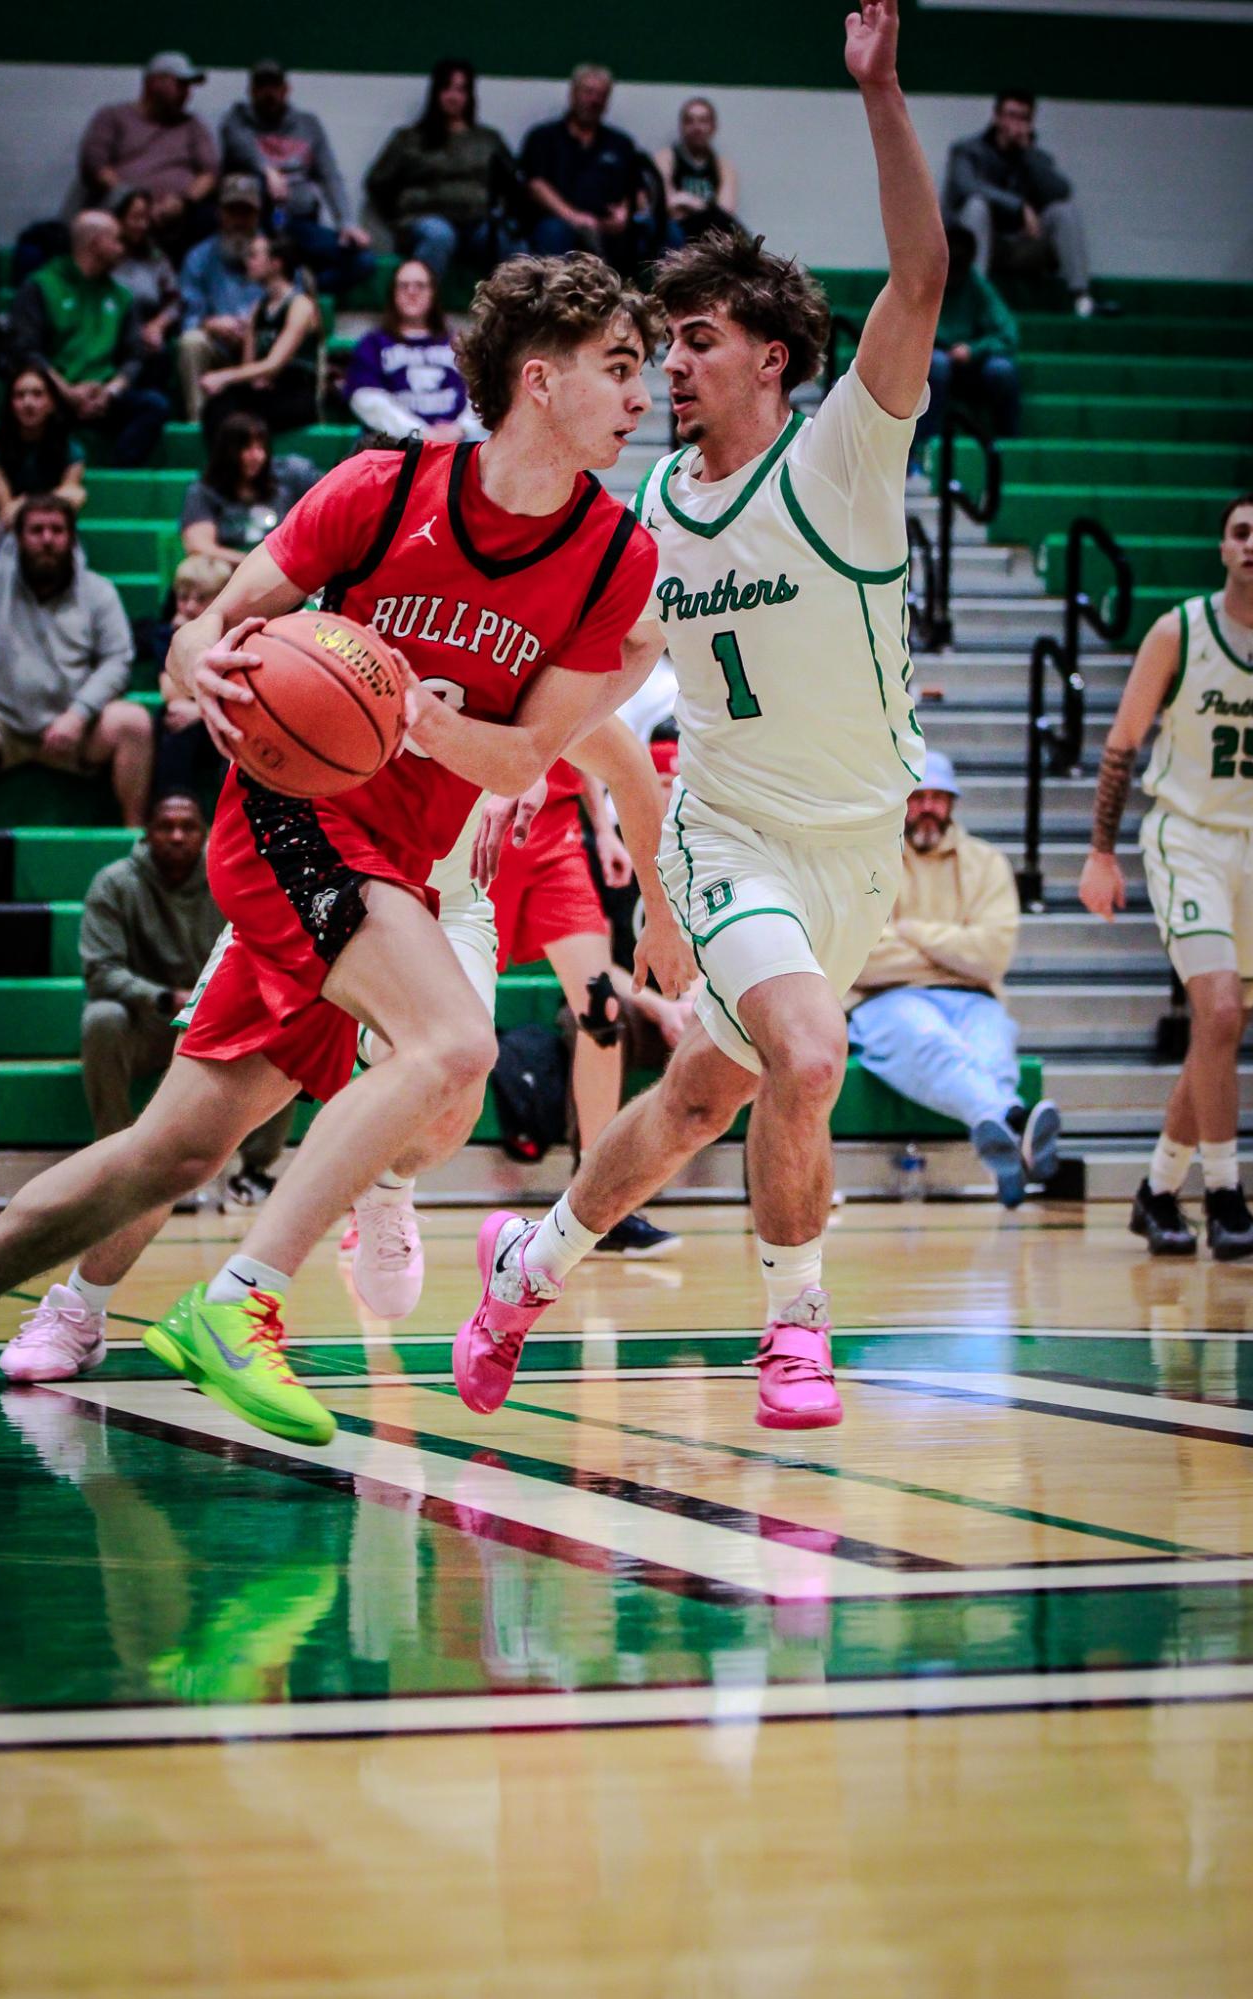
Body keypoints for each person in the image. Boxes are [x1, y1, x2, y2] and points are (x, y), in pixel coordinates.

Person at [0, 250, 692, 1463]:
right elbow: (201, 640)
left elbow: (517, 762)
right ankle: (238, 1303)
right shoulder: (381, 491)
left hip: (395, 855)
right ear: (538, 382)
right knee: (451, 1042)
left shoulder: (612, 563)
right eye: (619, 369)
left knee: (169, 1151)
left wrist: (415, 712)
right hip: (289, 822)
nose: (642, 395)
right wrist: (213, 674)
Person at [453, 0, 948, 1434]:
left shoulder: (844, 459)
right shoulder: (650, 511)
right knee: (805, 1054)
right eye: (659, 344)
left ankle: (524, 1271)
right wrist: (510, 778)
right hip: (732, 837)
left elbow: (919, 274)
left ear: (771, 362)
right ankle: (793, 1330)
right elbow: (600, 678)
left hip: (856, 853)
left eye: (697, 340)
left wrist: (879, 93)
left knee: (691, 1106)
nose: (668, 363)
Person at [0, 795, 296, 1385]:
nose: (179, 835)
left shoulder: (228, 870)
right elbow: (99, 969)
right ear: (148, 832)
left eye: (189, 826)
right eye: (167, 826)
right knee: (100, 1016)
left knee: (288, 1032)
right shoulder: (114, 882)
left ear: (204, 832)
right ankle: (117, 1156)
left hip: (220, 1013)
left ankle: (255, 1173)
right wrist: (163, 997)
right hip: (148, 1017)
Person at [1080, 493, 1253, 1262]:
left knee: (1221, 1032)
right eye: (1242, 531)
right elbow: (1122, 743)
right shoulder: (1179, 630)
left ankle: (1157, 1189)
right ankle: (1225, 1194)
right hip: (1187, 835)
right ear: (1221, 546)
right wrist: (1101, 850)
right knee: (1216, 1011)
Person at [487, 758, 682, 1256]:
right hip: (484, 821)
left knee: (602, 1012)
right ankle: (380, 1192)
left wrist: (602, 828)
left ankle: (597, 1203)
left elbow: (586, 732)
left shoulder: (576, 680)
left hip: (557, 833)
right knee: (452, 1024)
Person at [847, 750, 1059, 1206]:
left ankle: (1003, 1140)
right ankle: (1013, 1121)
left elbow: (992, 956)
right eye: (917, 797)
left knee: (991, 1051)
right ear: (899, 801)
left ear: (952, 804)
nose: (927, 808)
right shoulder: (867, 860)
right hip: (885, 1000)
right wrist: (952, 951)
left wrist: (909, 932)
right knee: (931, 1041)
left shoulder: (987, 864)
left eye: (938, 798)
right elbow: (861, 958)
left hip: (974, 997)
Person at [0, 493, 150, 832]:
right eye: (37, 530)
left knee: (134, 722)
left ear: (72, 538)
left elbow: (118, 660)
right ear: (18, 538)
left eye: (57, 530)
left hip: (74, 726)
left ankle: (134, 838)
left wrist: (79, 713)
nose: (47, 540)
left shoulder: (99, 590)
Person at [4, 211, 169, 468]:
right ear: (95, 243)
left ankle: (117, 477)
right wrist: (66, 391)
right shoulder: (42, 286)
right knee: (29, 400)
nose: (122, 248)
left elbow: (134, 355)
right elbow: (27, 349)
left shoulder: (122, 296)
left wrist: (110, 391)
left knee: (153, 405)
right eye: (116, 241)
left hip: (103, 394)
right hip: (54, 392)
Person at [221, 60, 375, 297]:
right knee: (258, 188)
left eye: (274, 86)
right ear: (251, 91)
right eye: (261, 86)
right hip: (258, 228)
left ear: (286, 89)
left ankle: (297, 290)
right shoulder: (237, 119)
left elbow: (330, 176)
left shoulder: (307, 124)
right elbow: (238, 146)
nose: (268, 93)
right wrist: (266, 170)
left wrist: (347, 222)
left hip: (300, 225)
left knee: (363, 261)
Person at [942, 88, 1101, 318]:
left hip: (1025, 244)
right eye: (1011, 115)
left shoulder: (1036, 157)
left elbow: (1060, 191)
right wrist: (1017, 207)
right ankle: (975, 298)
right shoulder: (967, 151)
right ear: (996, 117)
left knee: (1064, 211)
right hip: (982, 245)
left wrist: (1027, 153)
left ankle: (1082, 298)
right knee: (976, 206)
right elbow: (965, 186)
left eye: (1023, 118)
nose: (1016, 123)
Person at [366, 59, 518, 282]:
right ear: (436, 92)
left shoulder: (488, 139)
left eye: (460, 89)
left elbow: (513, 182)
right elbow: (377, 182)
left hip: (476, 224)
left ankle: (513, 309)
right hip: (424, 222)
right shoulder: (409, 138)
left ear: (469, 95)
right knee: (440, 235)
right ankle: (424, 309)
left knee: (506, 237)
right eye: (447, 88)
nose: (453, 96)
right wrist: (397, 218)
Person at [78, 51, 218, 258]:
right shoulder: (113, 117)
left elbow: (210, 172)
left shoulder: (192, 125)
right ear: (154, 83)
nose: (187, 93)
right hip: (122, 210)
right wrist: (134, 203)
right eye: (180, 84)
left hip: (180, 217)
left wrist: (183, 201)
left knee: (211, 219)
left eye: (188, 87)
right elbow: (94, 165)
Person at [519, 65, 651, 278]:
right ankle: (554, 302)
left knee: (654, 230)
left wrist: (625, 213)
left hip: (610, 227)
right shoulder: (543, 137)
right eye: (588, 92)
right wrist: (575, 217)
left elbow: (639, 190)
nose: (594, 100)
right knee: (553, 231)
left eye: (601, 95)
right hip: (559, 221)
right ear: (573, 94)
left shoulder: (621, 143)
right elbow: (535, 185)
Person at [198, 232, 321, 441]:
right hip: (265, 391)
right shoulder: (259, 308)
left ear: (276, 263)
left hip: (294, 393)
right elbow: (249, 364)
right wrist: (252, 382)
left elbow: (274, 364)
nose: (248, 261)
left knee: (242, 420)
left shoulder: (301, 305)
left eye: (254, 255)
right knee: (216, 407)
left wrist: (222, 376)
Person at [342, 260, 483, 442]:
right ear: (392, 293)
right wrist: (420, 433)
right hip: (398, 446)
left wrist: (462, 428)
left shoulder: (459, 343)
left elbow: (482, 392)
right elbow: (365, 398)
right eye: (403, 286)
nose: (412, 292)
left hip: (460, 444)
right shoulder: (373, 344)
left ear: (433, 292)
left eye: (420, 286)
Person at [915, 224, 1020, 459]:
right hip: (931, 362)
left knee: (1002, 370)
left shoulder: (976, 286)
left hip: (973, 365)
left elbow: (1008, 334)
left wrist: (973, 349)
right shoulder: (923, 284)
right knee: (938, 364)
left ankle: (1009, 445)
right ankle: (925, 444)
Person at [180, 412, 319, 572]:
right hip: (230, 577)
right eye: (247, 448)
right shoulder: (203, 490)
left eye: (261, 447)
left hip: (286, 574)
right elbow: (200, 547)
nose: (257, 456)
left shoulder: (291, 474)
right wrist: (255, 564)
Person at [176, 176, 265, 422]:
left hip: (264, 349)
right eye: (232, 211)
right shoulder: (199, 257)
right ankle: (198, 422)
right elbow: (188, 314)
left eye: (246, 212)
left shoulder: (276, 255)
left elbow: (290, 307)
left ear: (257, 216)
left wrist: (254, 328)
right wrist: (210, 324)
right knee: (191, 341)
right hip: (219, 346)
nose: (239, 220)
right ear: (220, 214)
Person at [151, 553, 233, 803]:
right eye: (182, 597)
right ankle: (173, 810)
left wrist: (199, 711)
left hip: (228, 717)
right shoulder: (170, 633)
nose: (188, 607)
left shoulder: (241, 632)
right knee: (175, 721)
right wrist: (182, 635)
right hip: (197, 721)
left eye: (200, 598)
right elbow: (172, 691)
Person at [0, 366, 86, 537]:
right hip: (12, 531)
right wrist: (54, 498)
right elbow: (7, 514)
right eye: (19, 395)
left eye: (37, 394)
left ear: (52, 402)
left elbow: (71, 501)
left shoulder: (71, 449)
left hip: (56, 529)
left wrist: (23, 502)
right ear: (10, 404)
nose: (28, 403)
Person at [655, 98, 740, 242]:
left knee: (739, 236)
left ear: (713, 127)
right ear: (681, 126)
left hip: (712, 235)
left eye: (703, 121)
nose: (697, 127)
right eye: (690, 121)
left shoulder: (723, 165)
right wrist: (706, 208)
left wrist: (686, 201)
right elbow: (665, 204)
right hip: (677, 234)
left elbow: (725, 213)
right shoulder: (666, 157)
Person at [110, 187, 180, 357]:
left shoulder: (156, 258)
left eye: (146, 218)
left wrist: (157, 325)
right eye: (135, 218)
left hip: (144, 332)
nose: (142, 225)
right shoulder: (105, 256)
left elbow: (175, 301)